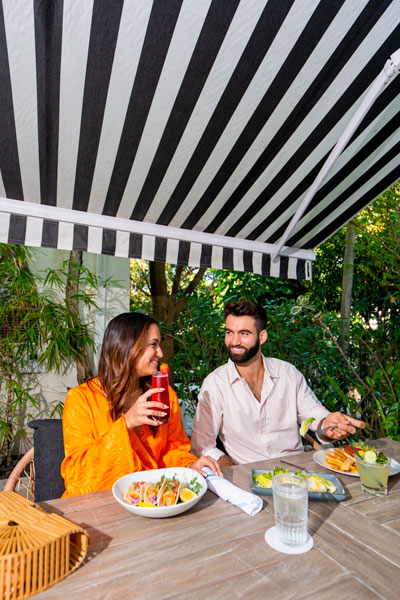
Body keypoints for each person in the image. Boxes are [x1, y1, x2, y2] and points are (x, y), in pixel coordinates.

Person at [61, 312, 221, 497]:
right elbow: (77, 477)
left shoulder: (165, 395)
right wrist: (126, 423)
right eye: (153, 344)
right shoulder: (81, 399)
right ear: (127, 346)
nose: (160, 353)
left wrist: (189, 465)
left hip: (151, 502)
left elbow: (173, 448)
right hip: (93, 507)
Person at [191, 300, 364, 466]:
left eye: (244, 334)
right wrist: (234, 470)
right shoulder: (215, 384)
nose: (234, 341)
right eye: (229, 332)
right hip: (246, 477)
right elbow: (202, 446)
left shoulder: (287, 373)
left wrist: (328, 424)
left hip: (298, 472)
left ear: (262, 336)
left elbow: (314, 414)